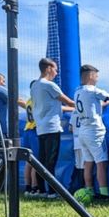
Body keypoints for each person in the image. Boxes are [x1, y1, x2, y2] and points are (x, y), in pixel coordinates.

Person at [31, 58, 75, 198]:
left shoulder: (35, 86)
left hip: (41, 127)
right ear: (48, 68)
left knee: (42, 159)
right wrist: (82, 104)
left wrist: (71, 108)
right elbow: (68, 101)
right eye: (55, 69)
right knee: (51, 160)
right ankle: (51, 191)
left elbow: (56, 105)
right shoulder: (50, 85)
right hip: (52, 126)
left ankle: (41, 190)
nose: (56, 72)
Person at [74, 64, 109, 199]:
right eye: (97, 76)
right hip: (95, 131)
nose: (97, 79)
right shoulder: (93, 90)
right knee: (101, 163)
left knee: (88, 162)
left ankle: (89, 191)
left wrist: (105, 104)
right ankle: (104, 194)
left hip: (83, 130)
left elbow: (93, 105)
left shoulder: (78, 91)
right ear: (91, 75)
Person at [22, 83, 41, 195]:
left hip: (27, 130)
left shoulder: (29, 100)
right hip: (34, 130)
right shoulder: (38, 100)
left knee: (28, 161)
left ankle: (28, 187)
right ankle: (35, 187)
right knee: (35, 161)